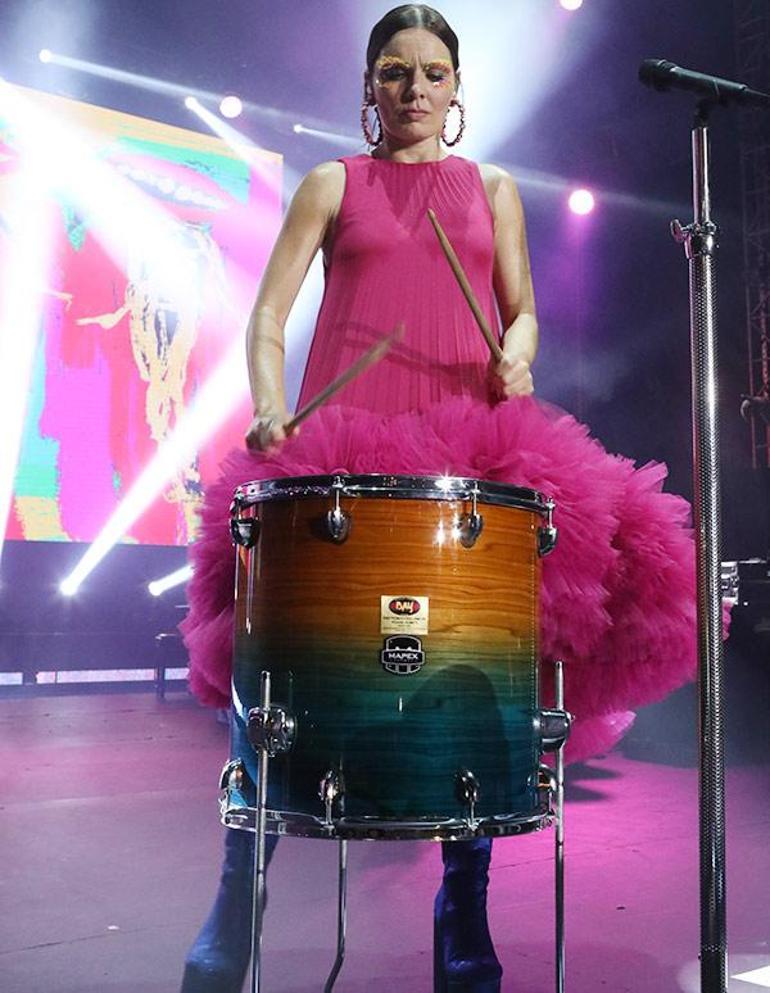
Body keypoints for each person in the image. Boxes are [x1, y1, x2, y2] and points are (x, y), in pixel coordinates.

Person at [180, 6, 708, 991]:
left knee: (477, 677)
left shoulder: (492, 189)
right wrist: (268, 404)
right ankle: (236, 886)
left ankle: (462, 900)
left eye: (431, 72)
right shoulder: (332, 184)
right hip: (342, 442)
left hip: (469, 448)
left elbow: (522, 312)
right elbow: (268, 314)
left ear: (456, 88)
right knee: (280, 654)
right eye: (394, 71)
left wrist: (518, 352)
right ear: (369, 86)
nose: (414, 89)